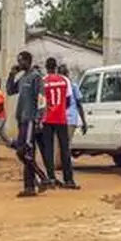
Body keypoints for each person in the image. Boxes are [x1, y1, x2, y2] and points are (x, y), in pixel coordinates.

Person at [6, 51, 50, 197]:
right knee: (24, 153)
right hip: (22, 119)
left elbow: (41, 98)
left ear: (27, 61)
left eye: (20, 61)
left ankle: (41, 179)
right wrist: (12, 75)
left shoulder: (36, 77)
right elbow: (10, 91)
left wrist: (39, 118)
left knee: (24, 152)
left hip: (31, 119)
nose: (18, 64)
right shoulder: (23, 77)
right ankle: (31, 185)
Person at [41, 58, 80, 189]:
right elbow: (69, 100)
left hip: (47, 119)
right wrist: (60, 108)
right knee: (64, 149)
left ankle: (51, 177)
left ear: (46, 67)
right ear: (56, 67)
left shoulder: (43, 81)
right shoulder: (65, 80)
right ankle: (68, 179)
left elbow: (40, 102)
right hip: (61, 118)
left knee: (48, 149)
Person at [60, 64, 88, 141]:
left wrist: (83, 122)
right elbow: (79, 105)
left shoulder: (73, 86)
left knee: (65, 144)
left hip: (69, 119)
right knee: (63, 145)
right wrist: (84, 122)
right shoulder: (58, 87)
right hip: (61, 120)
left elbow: (79, 105)